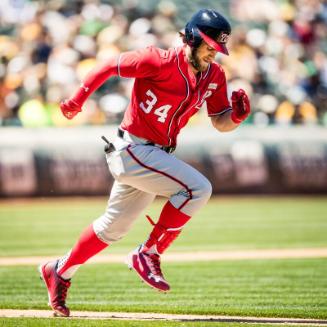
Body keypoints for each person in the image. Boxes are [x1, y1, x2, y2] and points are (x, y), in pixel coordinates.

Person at [39, 8, 251, 317]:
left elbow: (220, 122)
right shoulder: (158, 60)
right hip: (132, 148)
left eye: (217, 49)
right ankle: (149, 253)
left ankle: (60, 270)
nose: (213, 54)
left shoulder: (214, 75)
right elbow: (110, 65)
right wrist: (77, 99)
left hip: (155, 156)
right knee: (197, 189)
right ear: (192, 38)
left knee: (112, 228)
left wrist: (237, 117)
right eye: (209, 45)